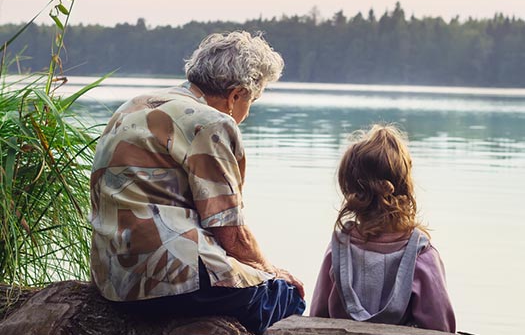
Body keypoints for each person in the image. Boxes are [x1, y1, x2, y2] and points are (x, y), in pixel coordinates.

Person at [89, 31, 305, 334]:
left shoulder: (136, 105)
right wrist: (271, 272)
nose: (247, 110)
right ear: (236, 95)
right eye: (252, 100)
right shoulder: (211, 122)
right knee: (286, 296)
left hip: (112, 280)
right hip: (172, 281)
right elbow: (230, 232)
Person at [310, 124, 456, 333]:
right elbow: (440, 327)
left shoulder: (339, 250)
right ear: (405, 187)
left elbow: (317, 317)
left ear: (350, 190)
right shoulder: (422, 255)